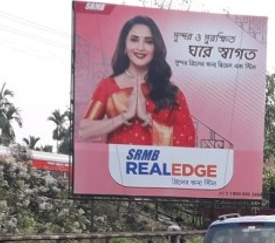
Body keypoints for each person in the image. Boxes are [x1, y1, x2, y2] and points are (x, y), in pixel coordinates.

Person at [77, 15, 196, 147]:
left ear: (155, 48)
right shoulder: (108, 86)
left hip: (158, 167)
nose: (141, 47)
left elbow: (189, 139)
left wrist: (147, 119)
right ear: (124, 46)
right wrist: (124, 117)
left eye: (148, 42)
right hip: (118, 166)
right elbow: (84, 131)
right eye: (134, 40)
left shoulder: (171, 92)